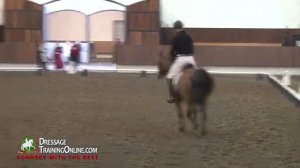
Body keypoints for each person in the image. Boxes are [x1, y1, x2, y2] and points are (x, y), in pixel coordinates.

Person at [166, 20, 198, 103]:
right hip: (191, 58)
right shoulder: (188, 36)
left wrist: (173, 57)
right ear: (182, 27)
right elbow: (192, 49)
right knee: (197, 75)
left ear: (176, 28)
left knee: (169, 77)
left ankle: (172, 97)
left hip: (181, 59)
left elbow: (172, 52)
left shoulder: (176, 37)